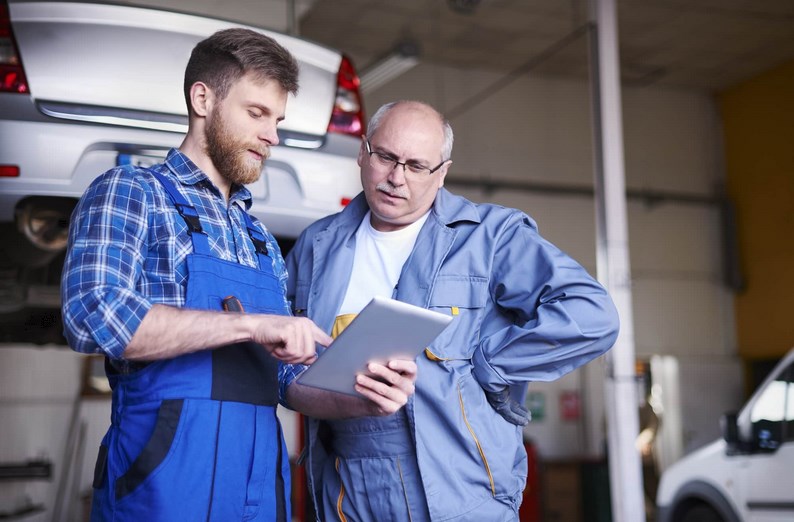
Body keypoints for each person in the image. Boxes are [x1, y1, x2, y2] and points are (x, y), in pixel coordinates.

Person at [61, 29, 416, 522]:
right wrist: (252, 325)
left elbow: (287, 381)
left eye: (278, 120)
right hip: (162, 485)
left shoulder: (259, 238)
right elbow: (93, 315)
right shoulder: (133, 193)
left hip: (257, 490)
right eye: (257, 114)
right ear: (202, 99)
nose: (273, 135)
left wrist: (362, 398)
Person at [283, 100, 621, 521]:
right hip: (346, 487)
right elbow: (287, 363)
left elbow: (592, 314)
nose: (396, 178)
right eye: (385, 156)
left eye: (416, 166)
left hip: (459, 486)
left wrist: (491, 366)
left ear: (441, 173)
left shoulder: (490, 238)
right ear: (363, 151)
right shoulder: (316, 246)